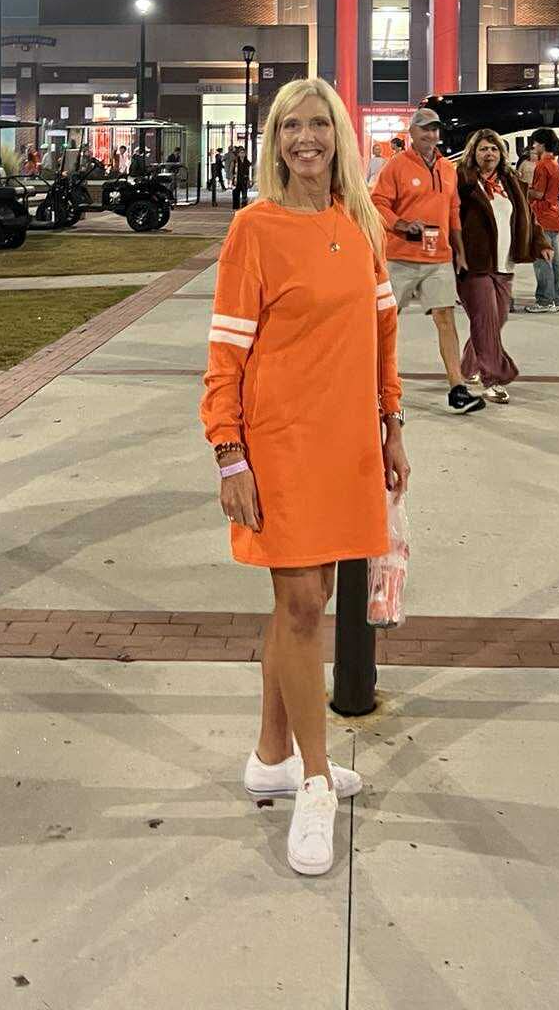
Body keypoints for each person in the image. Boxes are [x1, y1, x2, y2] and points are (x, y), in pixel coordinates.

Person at [201, 77, 409, 878]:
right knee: (299, 605)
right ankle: (316, 781)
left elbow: (384, 335)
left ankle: (271, 756)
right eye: (292, 126)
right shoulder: (254, 229)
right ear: (274, 140)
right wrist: (229, 452)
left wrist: (392, 424)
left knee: (301, 606)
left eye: (320, 124)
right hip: (280, 445)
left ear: (341, 138)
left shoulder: (361, 225)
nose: (307, 139)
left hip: (350, 442)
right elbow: (226, 351)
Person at [372, 106, 485, 414]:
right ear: (412, 133)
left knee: (445, 318)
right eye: (425, 129)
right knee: (383, 322)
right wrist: (400, 224)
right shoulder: (396, 166)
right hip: (400, 258)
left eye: (435, 129)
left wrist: (459, 252)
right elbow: (377, 203)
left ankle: (457, 388)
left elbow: (453, 213)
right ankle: (373, 385)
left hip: (438, 259)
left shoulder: (448, 169)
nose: (431, 135)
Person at [455, 130, 549, 402]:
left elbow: (528, 217)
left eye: (494, 149)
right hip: (474, 264)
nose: (489, 154)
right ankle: (493, 379)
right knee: (485, 321)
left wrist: (541, 242)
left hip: (504, 263)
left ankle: (469, 366)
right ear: (474, 152)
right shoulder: (463, 181)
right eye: (484, 149)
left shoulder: (511, 182)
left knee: (497, 320)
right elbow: (448, 217)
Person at [524, 126, 559, 312]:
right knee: (553, 260)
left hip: (542, 216)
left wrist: (522, 188)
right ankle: (554, 298)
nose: (533, 146)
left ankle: (544, 300)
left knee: (542, 260)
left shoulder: (542, 165)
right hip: (554, 215)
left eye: (534, 142)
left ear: (541, 143)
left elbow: (538, 193)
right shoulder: (555, 163)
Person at [231, 143, 251, 209]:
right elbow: (232, 170)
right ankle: (236, 207)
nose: (242, 154)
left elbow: (248, 171)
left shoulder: (247, 162)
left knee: (244, 194)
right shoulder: (235, 161)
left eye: (243, 153)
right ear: (238, 154)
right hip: (237, 179)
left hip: (244, 180)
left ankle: (244, 207)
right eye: (241, 153)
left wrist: (248, 179)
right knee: (236, 194)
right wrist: (233, 177)